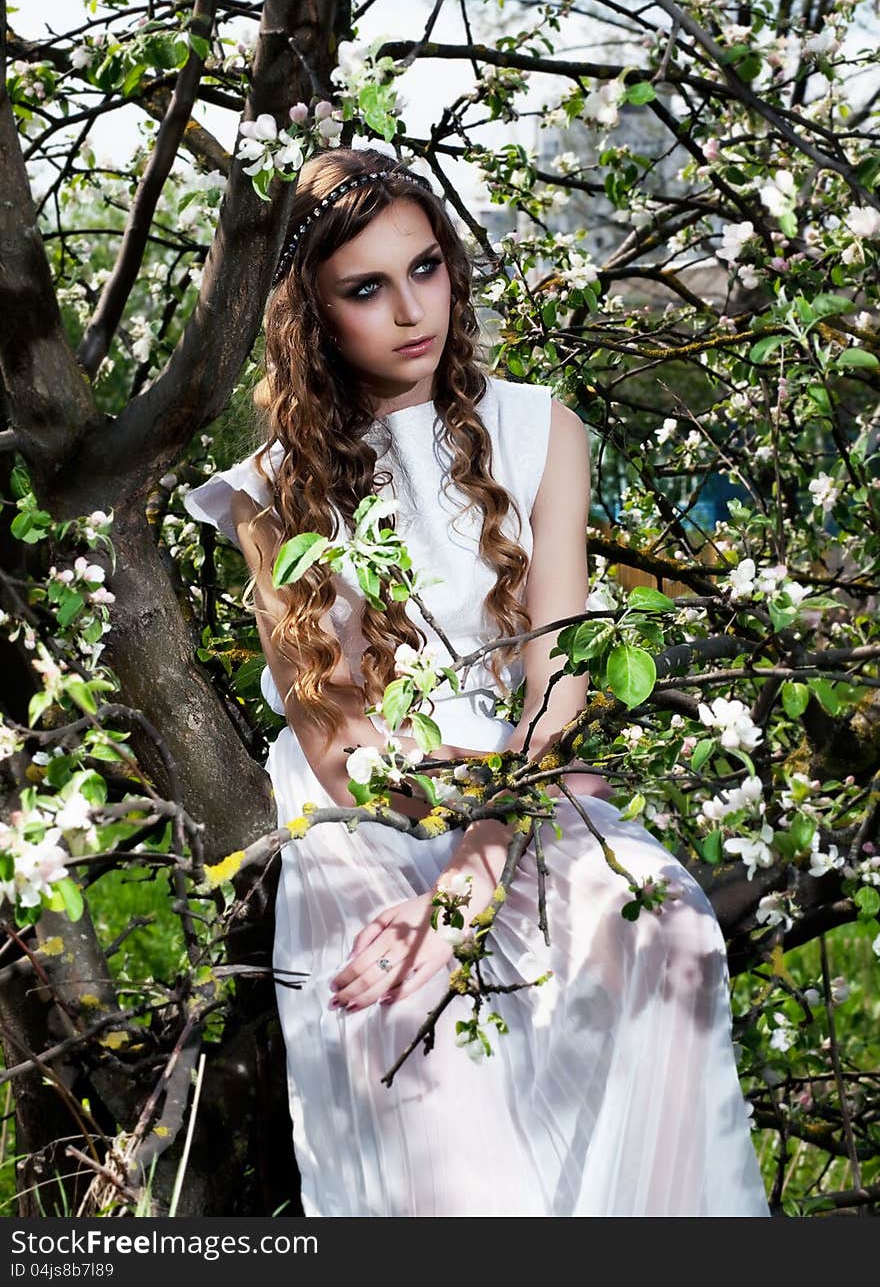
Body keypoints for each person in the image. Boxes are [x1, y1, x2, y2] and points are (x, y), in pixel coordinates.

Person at [183, 146, 770, 1218]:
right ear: (312, 316)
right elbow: (334, 737)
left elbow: (559, 678)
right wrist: (437, 870)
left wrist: (477, 870)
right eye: (365, 288)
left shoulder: (542, 427)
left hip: (527, 782)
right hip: (372, 816)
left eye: (426, 268)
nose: (412, 310)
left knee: (663, 928)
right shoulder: (268, 489)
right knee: (432, 1066)